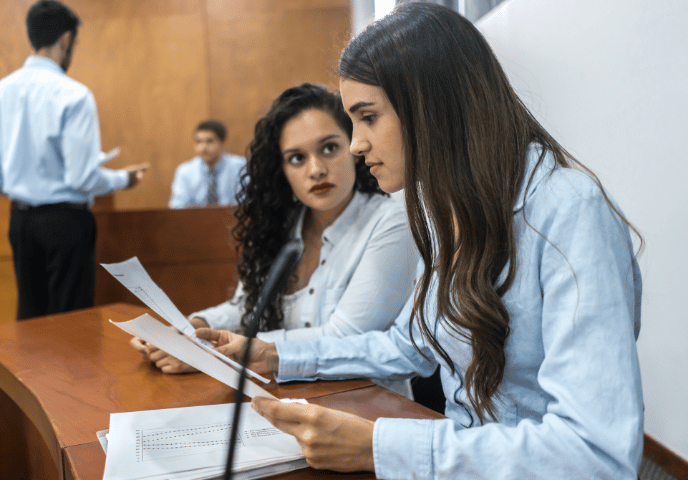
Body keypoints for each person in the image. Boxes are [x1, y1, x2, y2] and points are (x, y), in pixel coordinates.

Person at [197, 3, 644, 479]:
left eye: (368, 118)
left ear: (434, 106)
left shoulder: (568, 210)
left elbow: (595, 453)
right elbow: (408, 345)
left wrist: (381, 447)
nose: (355, 145)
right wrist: (277, 355)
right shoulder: (440, 205)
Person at [133, 84, 419, 390]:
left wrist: (214, 353)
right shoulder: (281, 222)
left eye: (329, 148)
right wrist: (197, 329)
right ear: (280, 169)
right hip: (288, 399)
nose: (316, 170)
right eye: (296, 158)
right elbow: (247, 307)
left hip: (368, 407)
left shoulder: (393, 218)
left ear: (353, 146)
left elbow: (345, 336)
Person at [0, 0, 150, 320]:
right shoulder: (74, 95)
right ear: (66, 40)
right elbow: (82, 178)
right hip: (66, 223)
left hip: (20, 221)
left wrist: (21, 185)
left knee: (31, 319)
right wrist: (124, 179)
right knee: (71, 324)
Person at [169, 120, 246, 208]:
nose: (203, 148)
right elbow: (177, 207)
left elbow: (248, 202)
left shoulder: (241, 166)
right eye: (199, 142)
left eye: (209, 141)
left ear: (223, 144)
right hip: (196, 220)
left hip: (233, 219)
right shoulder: (185, 171)